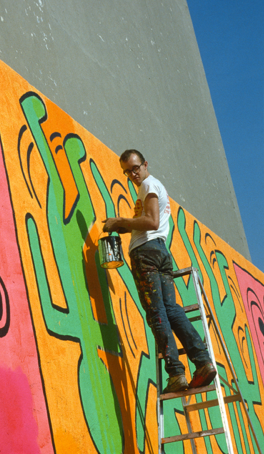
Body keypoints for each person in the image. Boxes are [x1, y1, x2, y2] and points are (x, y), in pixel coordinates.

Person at [103, 149, 216, 393]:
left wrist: (119, 220)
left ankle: (176, 373)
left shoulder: (148, 185)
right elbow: (148, 224)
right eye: (127, 171)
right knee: (172, 310)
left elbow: (151, 222)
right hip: (161, 252)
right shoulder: (152, 187)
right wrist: (124, 228)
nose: (132, 174)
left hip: (146, 255)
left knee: (157, 314)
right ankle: (203, 361)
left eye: (135, 168)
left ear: (145, 164)